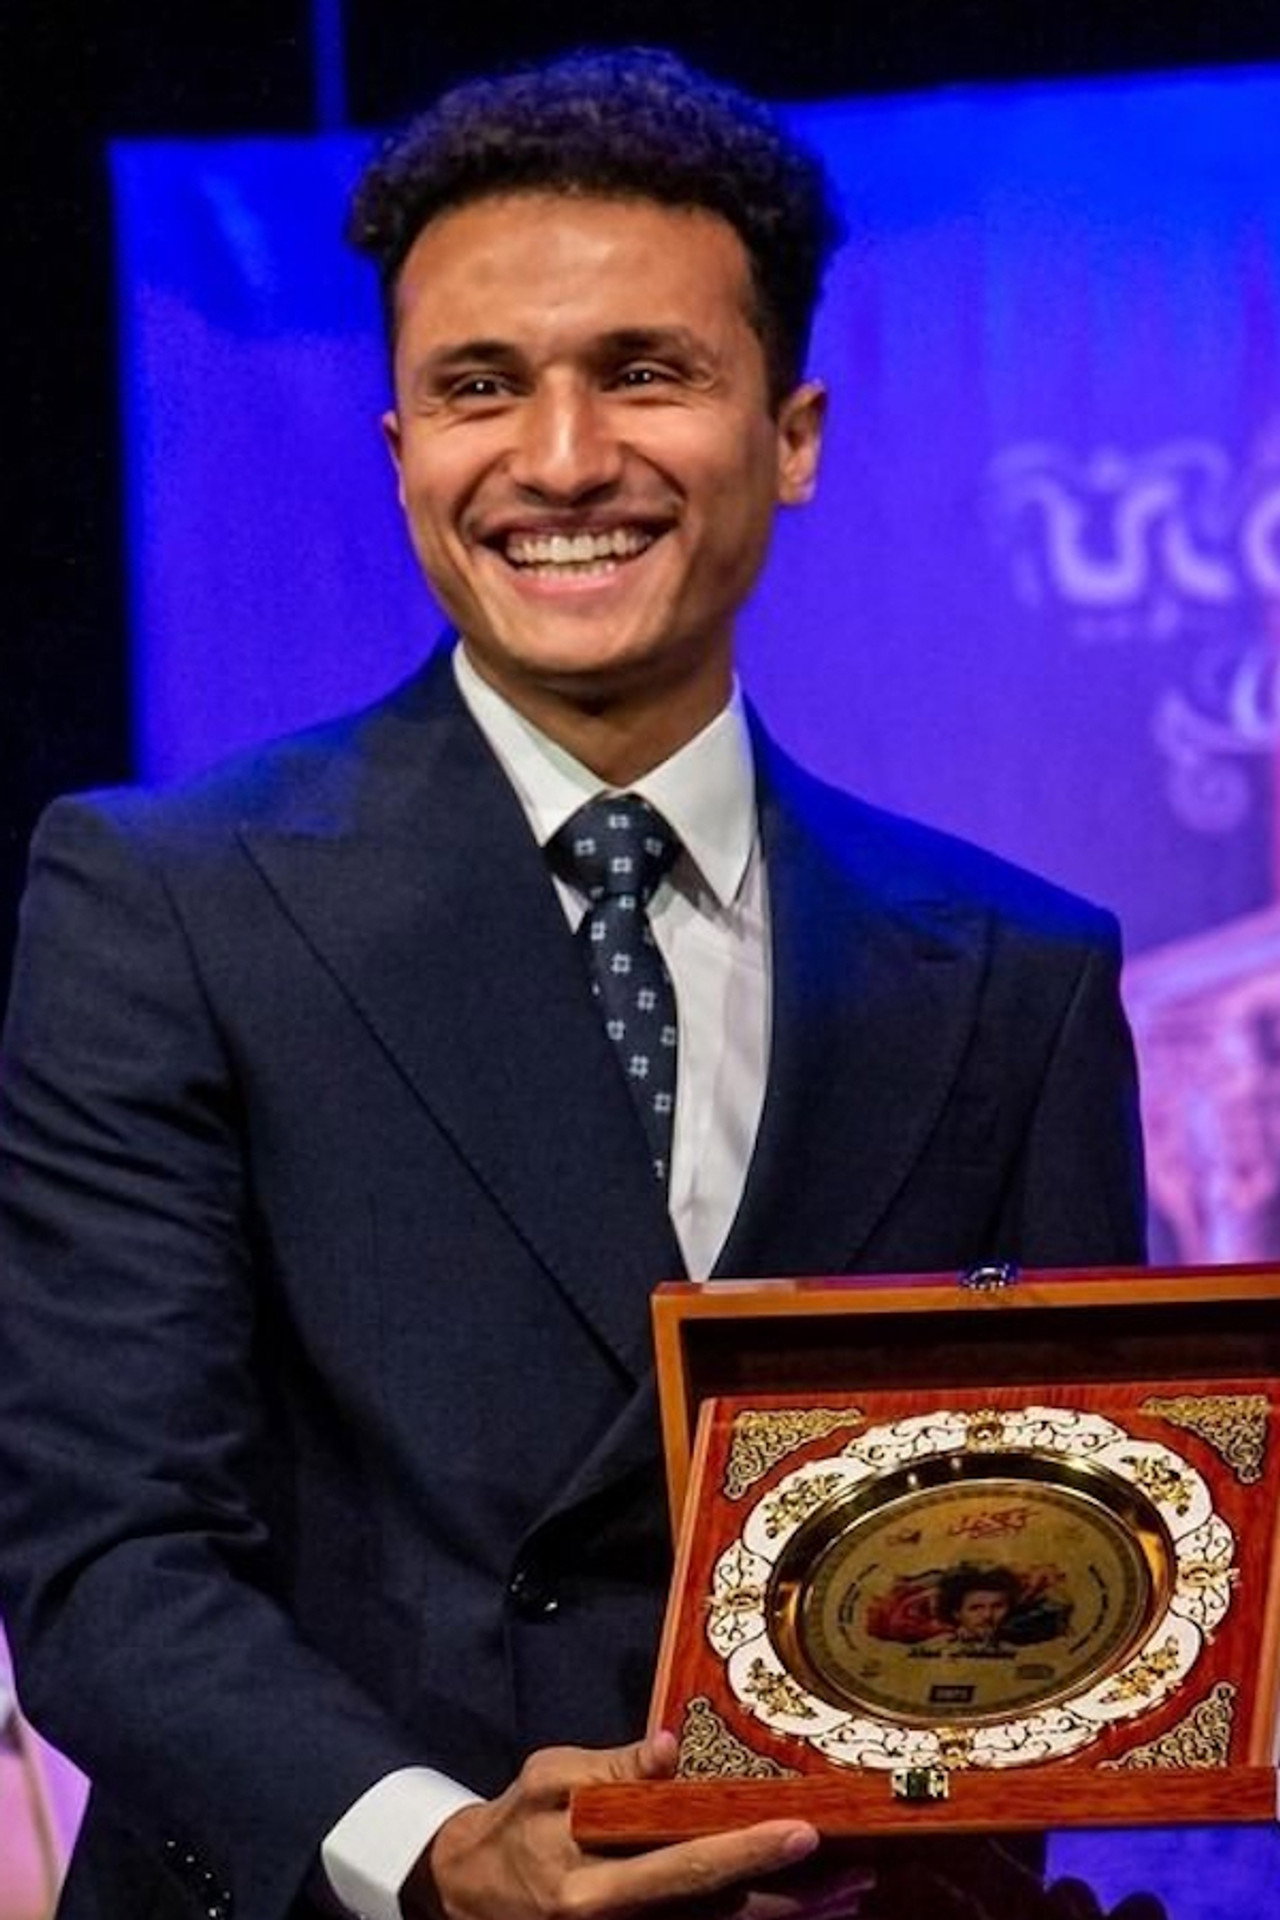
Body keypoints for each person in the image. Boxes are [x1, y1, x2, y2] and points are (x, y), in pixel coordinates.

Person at [0, 46, 1152, 1920]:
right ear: (400, 449)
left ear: (793, 432)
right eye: (480, 387)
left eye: (644, 371)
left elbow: (1054, 1543)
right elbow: (108, 1561)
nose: (557, 460)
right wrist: (441, 1852)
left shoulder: (1014, 971)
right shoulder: (167, 905)